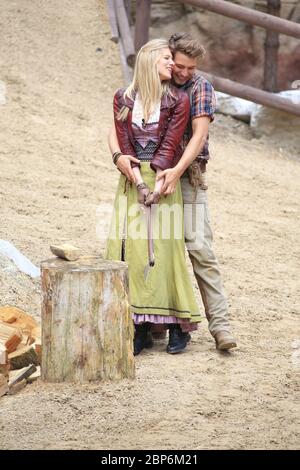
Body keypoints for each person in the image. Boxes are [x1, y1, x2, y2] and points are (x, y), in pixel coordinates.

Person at [109, 33, 237, 351]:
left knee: (198, 248)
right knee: (150, 249)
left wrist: (176, 172)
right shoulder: (146, 87)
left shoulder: (198, 87)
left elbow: (198, 135)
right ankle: (153, 324)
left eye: (189, 67)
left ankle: (220, 326)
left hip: (185, 176)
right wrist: (122, 160)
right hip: (151, 176)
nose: (183, 72)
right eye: (178, 64)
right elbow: (117, 129)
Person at [105, 38, 201, 356]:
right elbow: (123, 142)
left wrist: (157, 183)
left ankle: (177, 326)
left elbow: (171, 142)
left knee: (166, 252)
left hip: (164, 178)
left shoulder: (177, 100)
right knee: (133, 252)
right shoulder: (123, 98)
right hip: (132, 180)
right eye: (166, 59)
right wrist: (137, 182)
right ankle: (140, 327)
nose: (171, 65)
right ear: (148, 60)